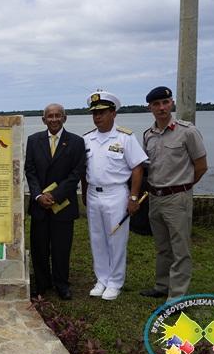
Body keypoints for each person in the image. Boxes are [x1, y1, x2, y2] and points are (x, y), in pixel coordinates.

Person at [139, 86, 207, 302]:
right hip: (155, 198)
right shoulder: (148, 135)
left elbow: (201, 166)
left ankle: (176, 297)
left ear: (172, 104)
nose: (161, 108)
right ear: (149, 107)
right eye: (156, 104)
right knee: (162, 246)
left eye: (165, 102)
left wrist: (182, 187)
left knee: (180, 249)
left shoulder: (188, 132)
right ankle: (162, 285)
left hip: (177, 198)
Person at [81, 92, 147, 300]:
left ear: (113, 113)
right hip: (93, 194)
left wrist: (134, 198)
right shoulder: (87, 139)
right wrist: (84, 194)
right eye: (95, 113)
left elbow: (137, 168)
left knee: (116, 238)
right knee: (97, 238)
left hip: (116, 193)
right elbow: (84, 171)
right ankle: (102, 278)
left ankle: (115, 282)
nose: (97, 117)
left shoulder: (125, 137)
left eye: (102, 112)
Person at [25, 103, 86, 300]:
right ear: (43, 120)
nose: (54, 119)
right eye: (49, 116)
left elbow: (76, 173)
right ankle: (42, 284)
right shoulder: (33, 140)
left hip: (64, 205)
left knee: (61, 247)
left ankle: (62, 284)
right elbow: (30, 171)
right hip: (39, 205)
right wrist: (38, 196)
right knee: (39, 247)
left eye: (58, 115)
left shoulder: (76, 142)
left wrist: (55, 195)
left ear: (64, 118)